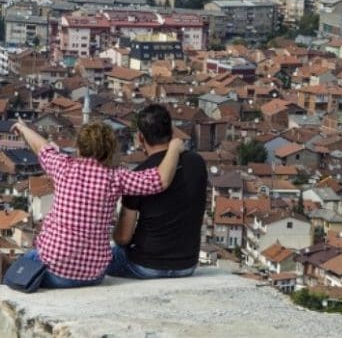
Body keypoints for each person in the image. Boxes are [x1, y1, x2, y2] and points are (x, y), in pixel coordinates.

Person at [12, 119, 185, 288]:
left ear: (79, 147)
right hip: (94, 275)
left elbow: (42, 148)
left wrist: (23, 128)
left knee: (29, 258)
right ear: (110, 149)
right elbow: (160, 180)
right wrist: (174, 148)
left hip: (56, 272)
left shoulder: (63, 167)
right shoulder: (115, 178)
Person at [107, 104, 207, 279]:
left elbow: (123, 237)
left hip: (145, 265)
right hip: (187, 265)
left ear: (140, 137)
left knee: (100, 257)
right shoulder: (197, 163)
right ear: (171, 132)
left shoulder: (139, 176)